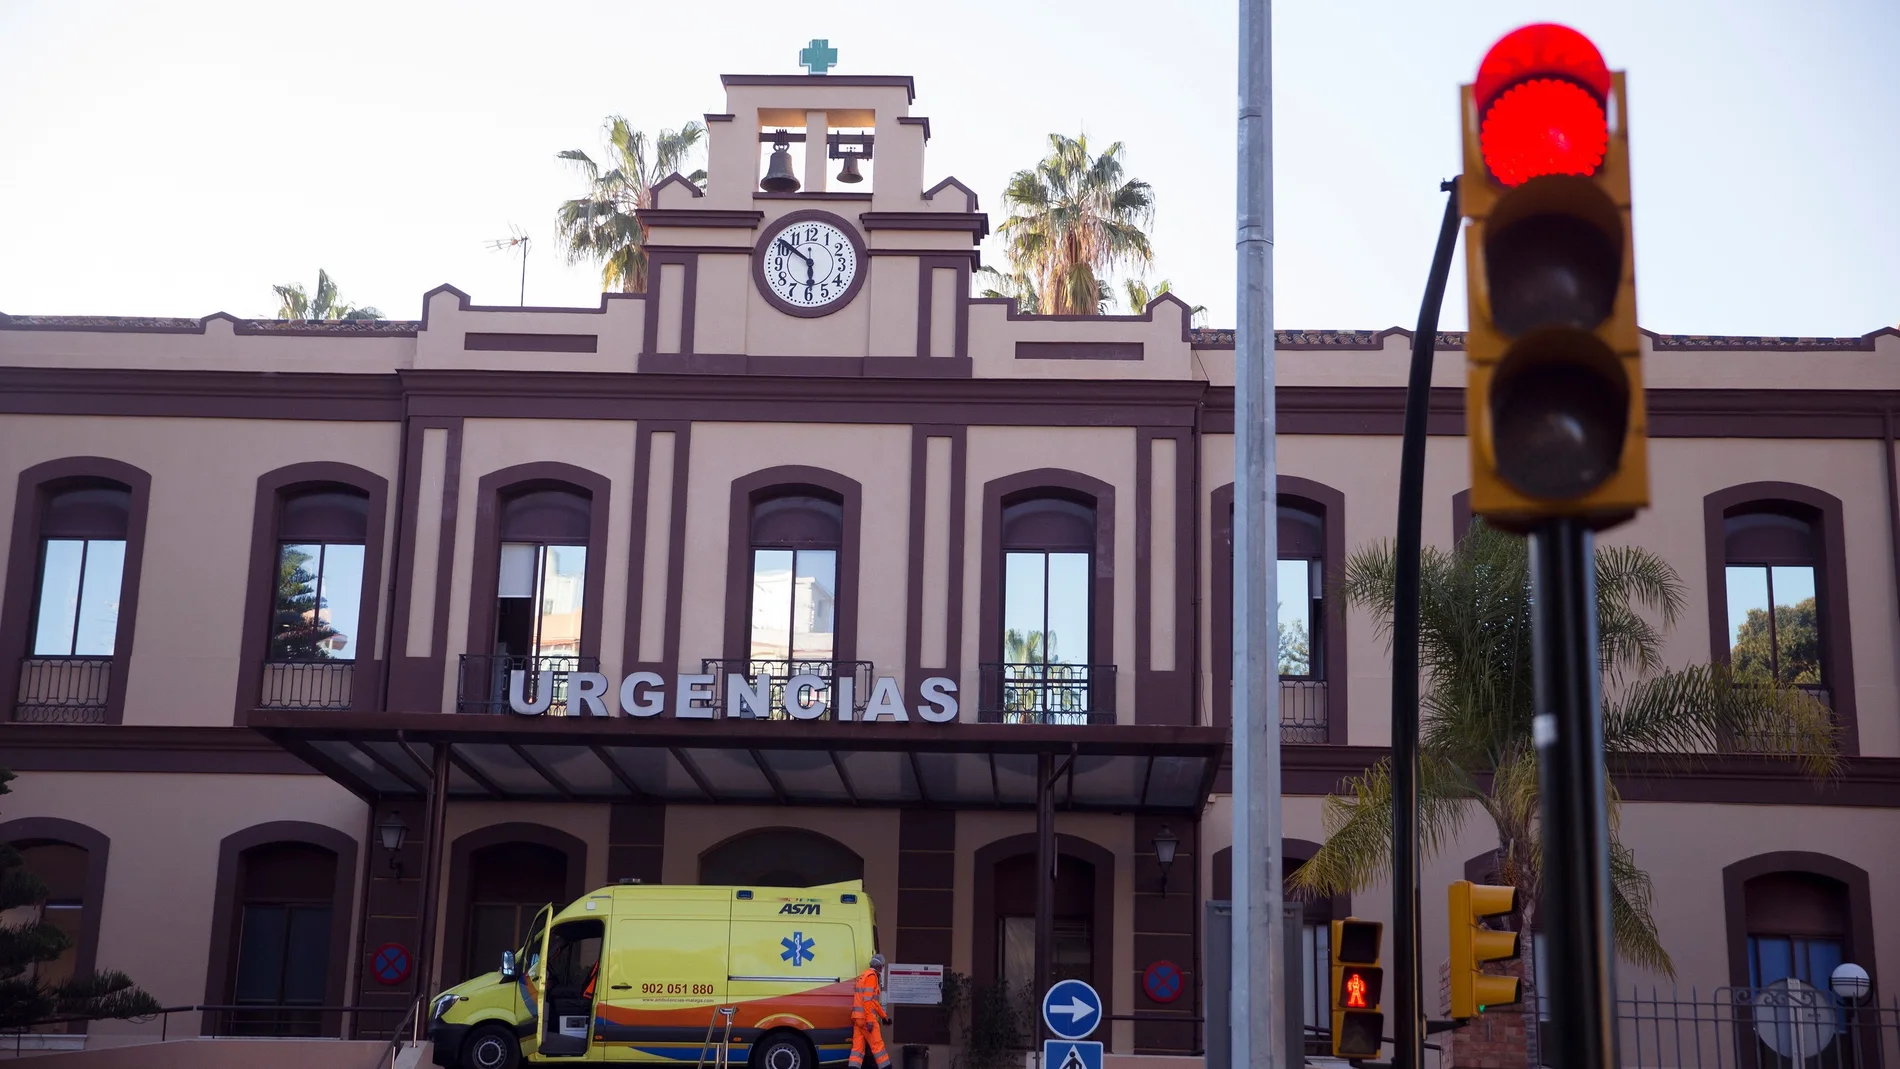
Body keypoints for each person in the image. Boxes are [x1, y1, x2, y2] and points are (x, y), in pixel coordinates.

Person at [849, 954, 891, 1069]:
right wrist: (870, 1020)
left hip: (858, 1020)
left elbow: (874, 1002)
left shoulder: (863, 976)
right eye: (882, 966)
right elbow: (867, 1001)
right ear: (880, 966)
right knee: (878, 1047)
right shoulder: (872, 977)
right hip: (867, 1019)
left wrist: (884, 1017)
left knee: (857, 1050)